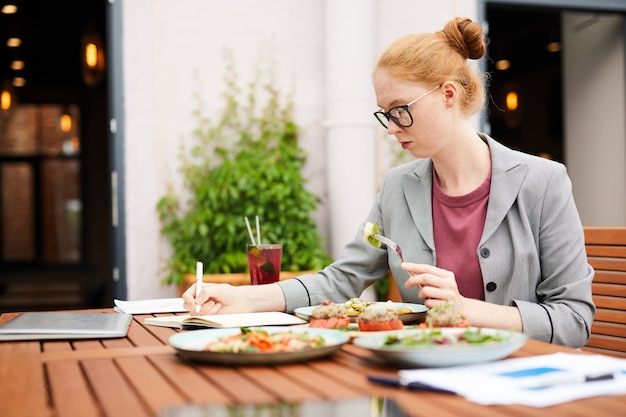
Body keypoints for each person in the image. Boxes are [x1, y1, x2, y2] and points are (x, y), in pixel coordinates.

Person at [183, 17, 595, 348]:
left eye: (400, 110)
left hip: (519, 383)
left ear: (448, 94)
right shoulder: (400, 186)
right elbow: (341, 279)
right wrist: (239, 298)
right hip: (422, 380)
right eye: (384, 113)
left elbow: (575, 320)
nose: (392, 127)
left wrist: (467, 309)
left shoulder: (543, 182)